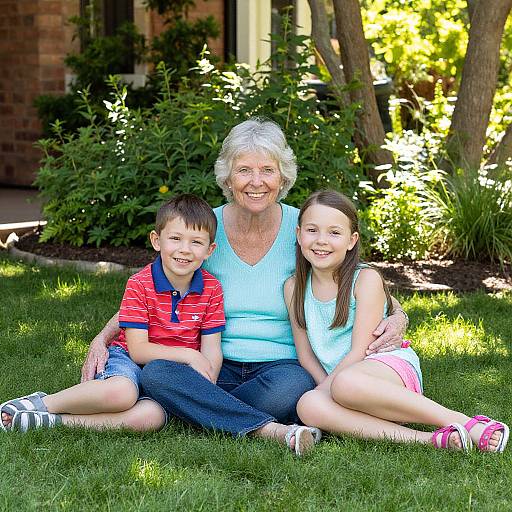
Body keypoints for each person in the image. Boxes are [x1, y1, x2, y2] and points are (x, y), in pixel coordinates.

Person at [79, 118, 408, 451]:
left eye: (267, 170)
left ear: (283, 177)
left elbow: (359, 279)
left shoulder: (306, 227)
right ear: (228, 177)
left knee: (291, 389)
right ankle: (265, 428)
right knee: (158, 374)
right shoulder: (205, 228)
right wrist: (103, 337)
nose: (256, 182)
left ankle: (195, 408)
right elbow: (150, 288)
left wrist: (398, 316)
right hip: (212, 362)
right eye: (244, 170)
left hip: (281, 368)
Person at [284, 189, 509, 452]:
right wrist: (325, 392)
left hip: (385, 370)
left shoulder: (365, 279)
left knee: (345, 384)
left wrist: (330, 391)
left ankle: (465, 423)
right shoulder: (294, 288)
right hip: (343, 383)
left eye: (334, 232)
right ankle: (431, 440)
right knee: (307, 405)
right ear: (299, 235)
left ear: (351, 240)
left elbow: (360, 350)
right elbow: (306, 355)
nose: (321, 240)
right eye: (312, 230)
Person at [1, 195, 224, 434]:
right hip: (128, 360)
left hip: (169, 376)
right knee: (122, 393)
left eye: (196, 242)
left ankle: (51, 422)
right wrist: (190, 355)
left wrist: (207, 382)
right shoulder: (140, 284)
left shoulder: (211, 289)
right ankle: (43, 403)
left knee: (151, 418)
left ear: (210, 250)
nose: (185, 250)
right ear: (156, 240)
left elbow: (212, 349)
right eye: (176, 238)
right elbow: (138, 350)